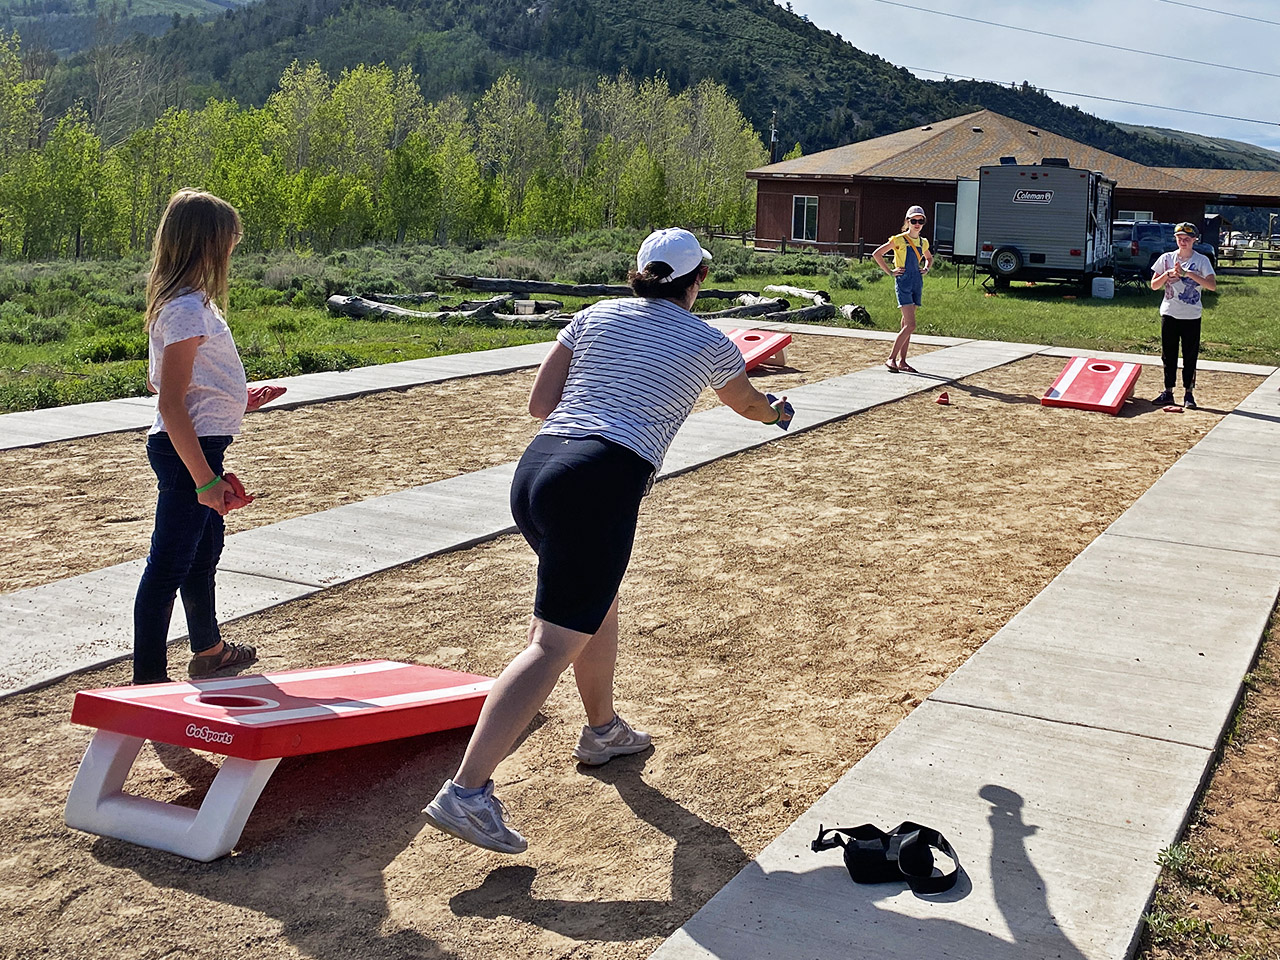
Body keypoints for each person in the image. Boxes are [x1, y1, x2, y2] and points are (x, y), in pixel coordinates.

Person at [424, 228, 794, 854]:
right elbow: (749, 406)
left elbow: (541, 403)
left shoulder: (595, 314)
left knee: (595, 604)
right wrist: (778, 411)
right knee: (550, 643)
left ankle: (603, 730)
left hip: (538, 470)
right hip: (598, 482)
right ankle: (466, 792)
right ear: (695, 280)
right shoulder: (709, 339)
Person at [131, 189, 259, 685]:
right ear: (205, 244)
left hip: (201, 445)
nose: (232, 250)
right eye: (228, 242)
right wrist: (205, 480)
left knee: (202, 555)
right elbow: (168, 401)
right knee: (169, 565)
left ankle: (209, 648)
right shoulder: (184, 308)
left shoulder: (188, 303)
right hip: (189, 452)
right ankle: (148, 681)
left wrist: (236, 398)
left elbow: (165, 381)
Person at [1150, 222, 1216, 410]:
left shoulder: (1202, 260)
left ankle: (1189, 393)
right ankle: (1168, 391)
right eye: (1179, 238)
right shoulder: (1166, 258)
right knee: (1168, 355)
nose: (1183, 242)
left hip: (1191, 315)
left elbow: (1211, 285)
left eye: (1187, 239)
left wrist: (1189, 274)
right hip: (1170, 313)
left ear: (1195, 240)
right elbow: (1154, 285)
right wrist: (1167, 275)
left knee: (1190, 356)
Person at [872, 205, 933, 373]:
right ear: (908, 221)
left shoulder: (923, 242)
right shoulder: (898, 239)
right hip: (904, 281)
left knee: (906, 323)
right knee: (911, 325)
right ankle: (891, 358)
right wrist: (890, 272)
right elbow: (877, 254)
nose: (917, 223)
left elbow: (929, 258)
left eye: (921, 220)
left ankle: (902, 361)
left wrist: (926, 269)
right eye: (914, 220)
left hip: (917, 282)